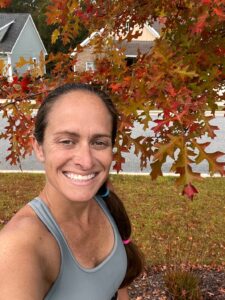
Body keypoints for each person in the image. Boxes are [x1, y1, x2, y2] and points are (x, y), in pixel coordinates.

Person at [0, 83, 143, 299]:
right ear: (38, 147)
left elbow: (118, 285)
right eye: (67, 141)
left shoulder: (104, 199)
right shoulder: (19, 248)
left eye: (99, 142)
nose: (86, 161)